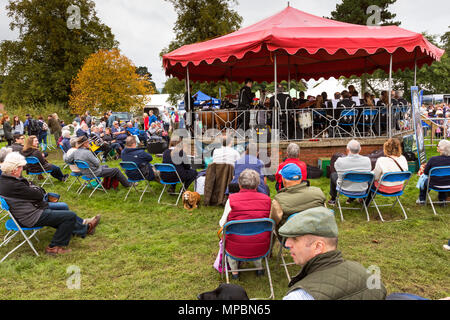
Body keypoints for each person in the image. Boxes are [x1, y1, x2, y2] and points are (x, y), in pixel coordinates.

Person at [0, 152, 101, 255]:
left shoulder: (5, 179)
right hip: (31, 216)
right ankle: (54, 247)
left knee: (63, 207)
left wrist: (32, 187)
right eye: (21, 167)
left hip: (28, 210)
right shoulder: (14, 185)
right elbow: (39, 194)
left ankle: (83, 229)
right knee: (70, 216)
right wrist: (33, 187)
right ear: (14, 170)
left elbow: (32, 191)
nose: (23, 169)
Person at [280, 206, 387, 300]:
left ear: (318, 247)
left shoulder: (299, 296)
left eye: (294, 239)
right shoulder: (364, 272)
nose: (287, 244)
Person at [219, 169, 271, 279]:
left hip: (235, 248)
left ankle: (235, 273)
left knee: (228, 237)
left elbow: (222, 223)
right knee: (256, 233)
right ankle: (259, 268)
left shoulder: (231, 200)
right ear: (257, 184)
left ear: (239, 184)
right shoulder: (267, 200)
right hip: (261, 246)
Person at [270, 163, 326, 235]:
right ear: (301, 178)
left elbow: (273, 222)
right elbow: (325, 214)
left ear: (283, 180)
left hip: (291, 237)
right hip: (315, 233)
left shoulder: (278, 200)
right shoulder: (318, 192)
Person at [66, 136, 133, 188]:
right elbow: (97, 163)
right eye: (88, 142)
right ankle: (128, 184)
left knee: (106, 166)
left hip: (84, 172)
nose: (89, 143)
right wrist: (95, 157)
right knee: (116, 170)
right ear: (85, 144)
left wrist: (76, 161)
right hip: (93, 172)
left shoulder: (75, 152)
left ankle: (109, 184)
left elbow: (67, 160)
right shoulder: (87, 152)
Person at [328, 140, 372, 206]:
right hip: (362, 189)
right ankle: (358, 200)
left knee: (333, 175)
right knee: (368, 179)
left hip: (344, 188)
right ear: (360, 149)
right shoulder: (367, 160)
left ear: (347, 149)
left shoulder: (340, 161)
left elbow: (337, 170)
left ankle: (333, 199)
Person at [365, 138, 408, 205]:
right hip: (398, 187)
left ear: (386, 148)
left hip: (385, 188)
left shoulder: (381, 160)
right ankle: (365, 201)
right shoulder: (403, 158)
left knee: (368, 181)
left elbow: (375, 177)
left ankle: (366, 202)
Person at [417, 140, 450, 205]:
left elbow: (426, 173)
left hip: (435, 184)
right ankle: (442, 200)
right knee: (443, 178)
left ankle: (422, 199)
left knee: (423, 179)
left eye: (438, 146)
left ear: (440, 149)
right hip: (448, 184)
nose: (437, 147)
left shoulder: (433, 159)